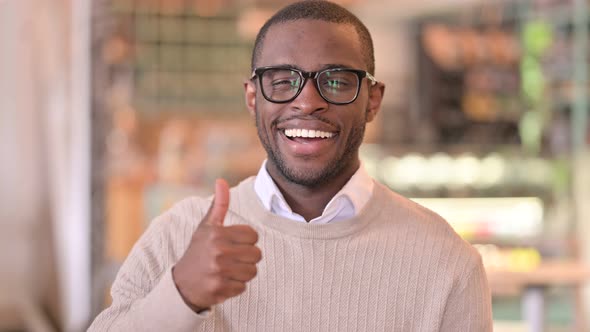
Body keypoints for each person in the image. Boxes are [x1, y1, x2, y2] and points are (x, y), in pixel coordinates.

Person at [89, 1, 492, 331]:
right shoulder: (178, 236)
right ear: (252, 98)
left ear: (372, 99)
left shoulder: (446, 263)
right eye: (282, 81)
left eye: (335, 81)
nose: (307, 101)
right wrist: (180, 295)